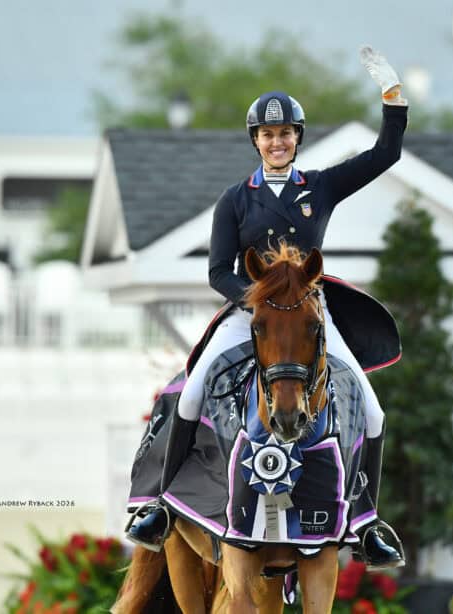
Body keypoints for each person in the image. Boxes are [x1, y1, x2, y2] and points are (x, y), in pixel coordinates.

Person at [128, 46, 408, 568]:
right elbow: (217, 271)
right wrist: (258, 301)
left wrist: (392, 98)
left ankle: (367, 522)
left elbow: (385, 155)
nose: (276, 143)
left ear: (296, 138)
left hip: (310, 315)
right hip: (251, 315)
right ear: (256, 141)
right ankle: (161, 506)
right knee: (190, 391)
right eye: (267, 135)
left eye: (285, 134)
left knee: (371, 407)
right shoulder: (234, 199)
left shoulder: (321, 186)